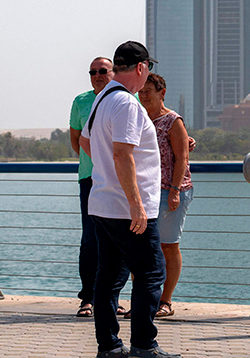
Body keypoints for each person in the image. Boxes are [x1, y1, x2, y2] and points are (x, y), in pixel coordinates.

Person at [80, 41, 179, 358]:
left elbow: (86, 141)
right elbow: (123, 154)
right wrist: (137, 204)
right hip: (128, 209)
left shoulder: (102, 98)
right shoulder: (126, 103)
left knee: (109, 275)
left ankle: (109, 346)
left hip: (103, 203)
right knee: (151, 272)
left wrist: (107, 172)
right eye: (148, 68)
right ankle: (144, 346)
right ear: (140, 68)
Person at [137, 73, 195, 319]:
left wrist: (174, 191)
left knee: (168, 246)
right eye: (141, 91)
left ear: (162, 92)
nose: (144, 95)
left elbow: (182, 158)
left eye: (149, 90)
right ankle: (144, 300)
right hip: (143, 193)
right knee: (141, 249)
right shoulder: (138, 119)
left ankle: (166, 301)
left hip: (170, 191)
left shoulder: (173, 121)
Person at [70, 56, 123, 318]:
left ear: (114, 72)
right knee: (90, 239)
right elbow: (76, 139)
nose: (98, 75)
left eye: (103, 71)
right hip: (89, 178)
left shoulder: (126, 99)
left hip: (118, 178)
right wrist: (93, 162)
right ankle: (87, 298)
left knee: (117, 239)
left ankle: (113, 296)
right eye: (93, 72)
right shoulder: (81, 101)